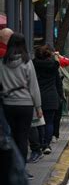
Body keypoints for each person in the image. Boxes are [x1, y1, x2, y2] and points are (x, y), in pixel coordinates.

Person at [0, 33, 42, 170]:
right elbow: (33, 86)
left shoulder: (2, 63)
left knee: (11, 136)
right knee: (23, 137)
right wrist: (38, 106)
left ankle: (12, 166)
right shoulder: (27, 62)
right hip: (25, 105)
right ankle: (21, 168)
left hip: (8, 104)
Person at [33, 45, 63, 155]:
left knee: (40, 122)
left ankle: (41, 143)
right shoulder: (53, 66)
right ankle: (47, 144)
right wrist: (60, 96)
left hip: (38, 96)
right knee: (49, 122)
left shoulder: (34, 64)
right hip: (51, 96)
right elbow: (58, 82)